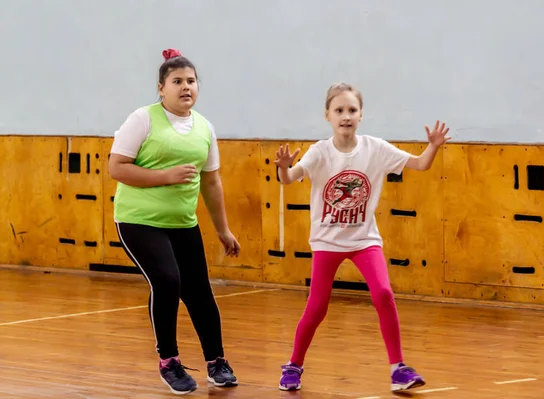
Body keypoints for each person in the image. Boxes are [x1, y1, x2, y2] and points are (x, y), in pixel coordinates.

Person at [275, 83, 451, 393]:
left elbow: (420, 164)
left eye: (352, 110)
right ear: (327, 115)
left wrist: (434, 146)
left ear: (361, 115)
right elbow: (289, 179)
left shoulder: (376, 149)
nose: (346, 116)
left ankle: (398, 368)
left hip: (364, 239)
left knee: (383, 293)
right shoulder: (319, 152)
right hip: (327, 242)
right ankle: (294, 365)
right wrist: (284, 168)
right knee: (317, 307)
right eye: (339, 110)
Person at [108, 48, 240, 395]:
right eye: (177, 81)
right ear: (161, 88)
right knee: (168, 280)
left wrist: (223, 230)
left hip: (182, 223)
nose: (186, 87)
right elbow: (116, 167)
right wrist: (165, 176)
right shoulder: (143, 119)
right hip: (138, 220)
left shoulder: (204, 128)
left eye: (191, 81)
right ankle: (169, 361)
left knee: (199, 291)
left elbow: (211, 182)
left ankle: (217, 362)